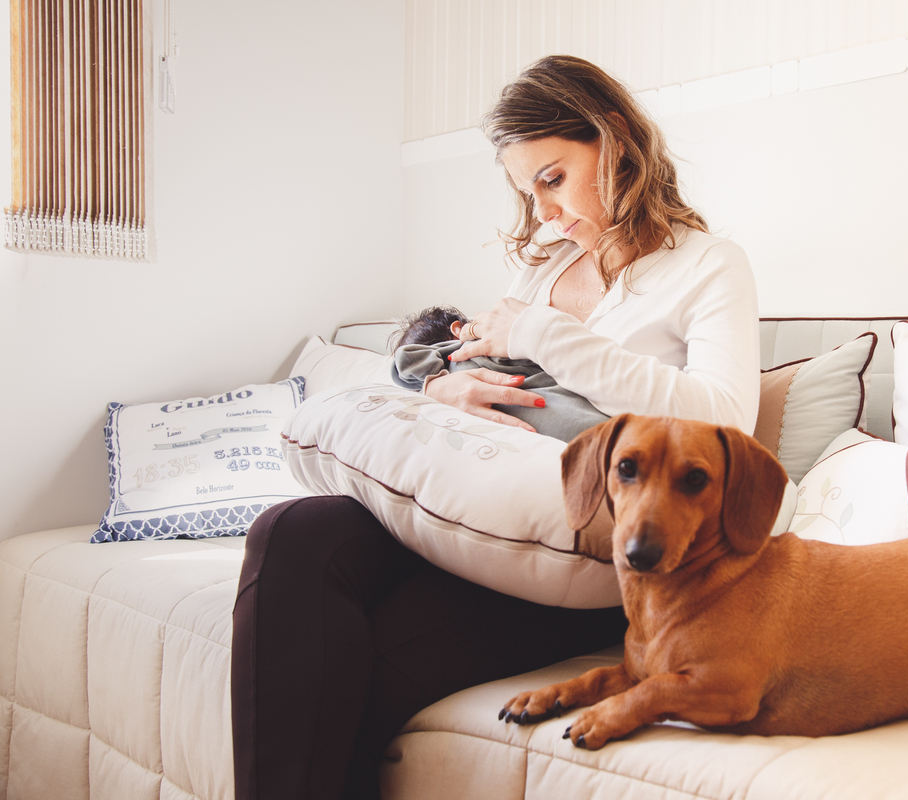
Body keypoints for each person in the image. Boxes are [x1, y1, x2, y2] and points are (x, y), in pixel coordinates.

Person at [231, 54, 760, 800]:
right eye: (527, 192)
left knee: (354, 659)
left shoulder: (708, 266)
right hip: (479, 502)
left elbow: (726, 420)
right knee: (294, 532)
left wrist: (547, 334)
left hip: (581, 549)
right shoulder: (543, 271)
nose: (544, 212)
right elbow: (488, 366)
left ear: (614, 139)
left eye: (553, 178)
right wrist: (448, 386)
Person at [390, 304, 610, 442]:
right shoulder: (456, 365)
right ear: (459, 329)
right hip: (590, 429)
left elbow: (403, 362)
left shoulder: (470, 351)